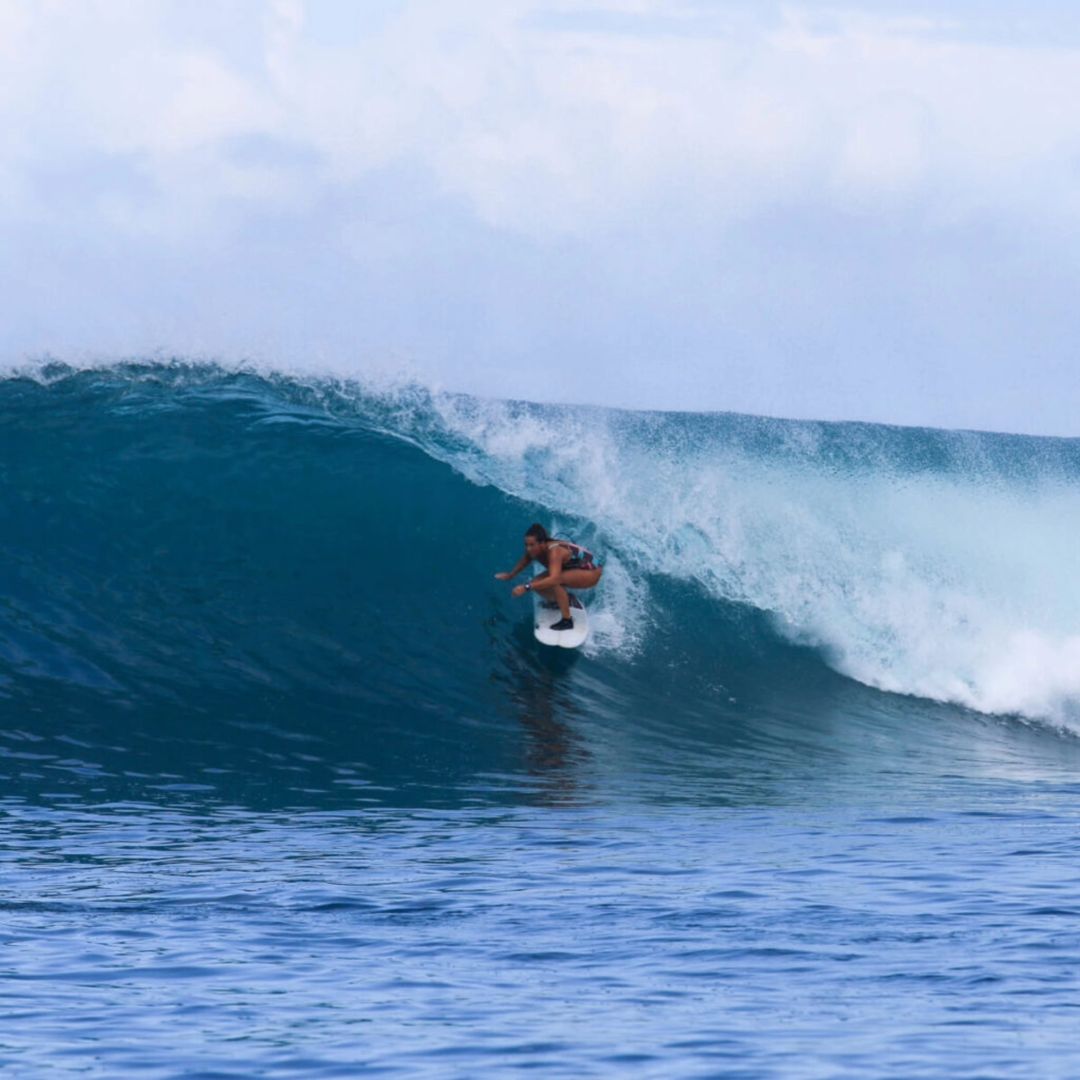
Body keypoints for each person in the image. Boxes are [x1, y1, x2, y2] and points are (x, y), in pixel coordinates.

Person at [495, 523, 603, 631]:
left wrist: (526, 587)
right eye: (526, 545)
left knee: (555, 581)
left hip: (592, 572)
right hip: (573, 568)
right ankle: (562, 601)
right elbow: (525, 560)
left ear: (542, 543)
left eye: (532, 545)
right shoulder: (536, 549)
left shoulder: (554, 551)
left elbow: (554, 579)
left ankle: (567, 621)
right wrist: (511, 575)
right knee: (537, 582)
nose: (528, 548)